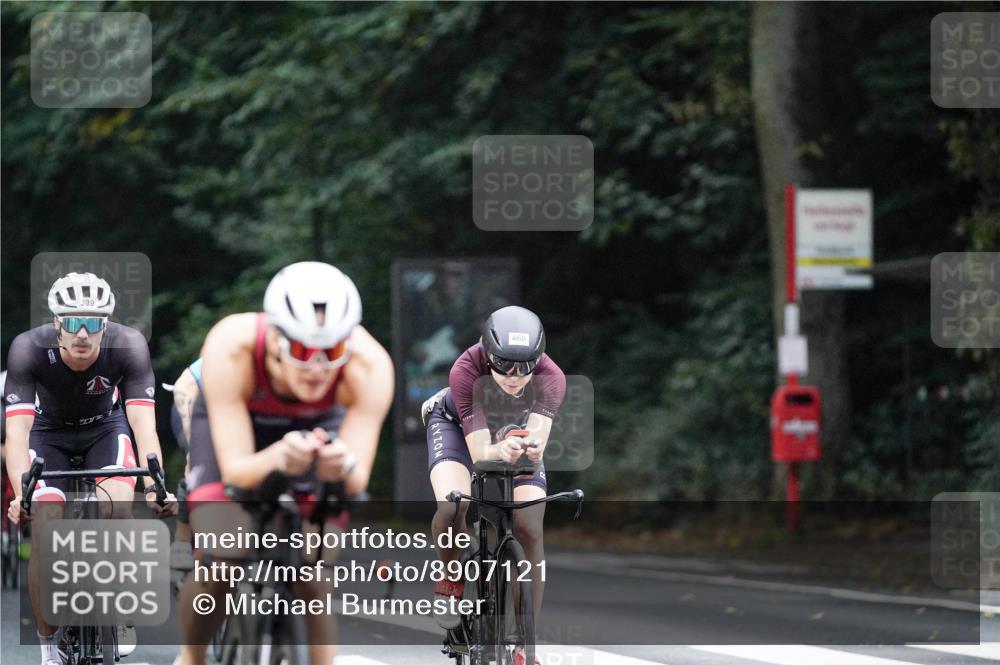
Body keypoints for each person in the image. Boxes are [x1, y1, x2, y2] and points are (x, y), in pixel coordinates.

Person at [176, 261, 393, 665]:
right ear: (276, 338)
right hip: (243, 428)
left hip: (318, 429)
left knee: (313, 578)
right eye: (301, 351)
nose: (317, 368)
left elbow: (356, 478)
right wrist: (277, 456)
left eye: (333, 352)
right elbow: (238, 469)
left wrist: (340, 466)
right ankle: (191, 656)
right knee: (223, 560)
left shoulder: (371, 367)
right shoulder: (231, 345)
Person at [3, 271, 177, 665]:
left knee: (117, 506)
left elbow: (143, 426)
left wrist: (154, 487)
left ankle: (119, 601)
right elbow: (17, 434)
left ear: (107, 325)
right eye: (74, 322)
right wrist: (21, 495)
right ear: (56, 324)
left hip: (104, 429)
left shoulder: (128, 345)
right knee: (45, 530)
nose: (83, 333)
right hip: (47, 435)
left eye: (94, 322)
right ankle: (50, 649)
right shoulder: (27, 349)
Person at [423, 305, 565, 665]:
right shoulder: (466, 369)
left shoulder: (552, 377)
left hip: (510, 435)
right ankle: (451, 578)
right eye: (504, 364)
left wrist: (526, 448)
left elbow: (536, 445)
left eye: (526, 365)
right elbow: (481, 454)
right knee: (453, 506)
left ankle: (523, 638)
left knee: (529, 527)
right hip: (457, 429)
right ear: (487, 352)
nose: (515, 376)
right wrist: (500, 450)